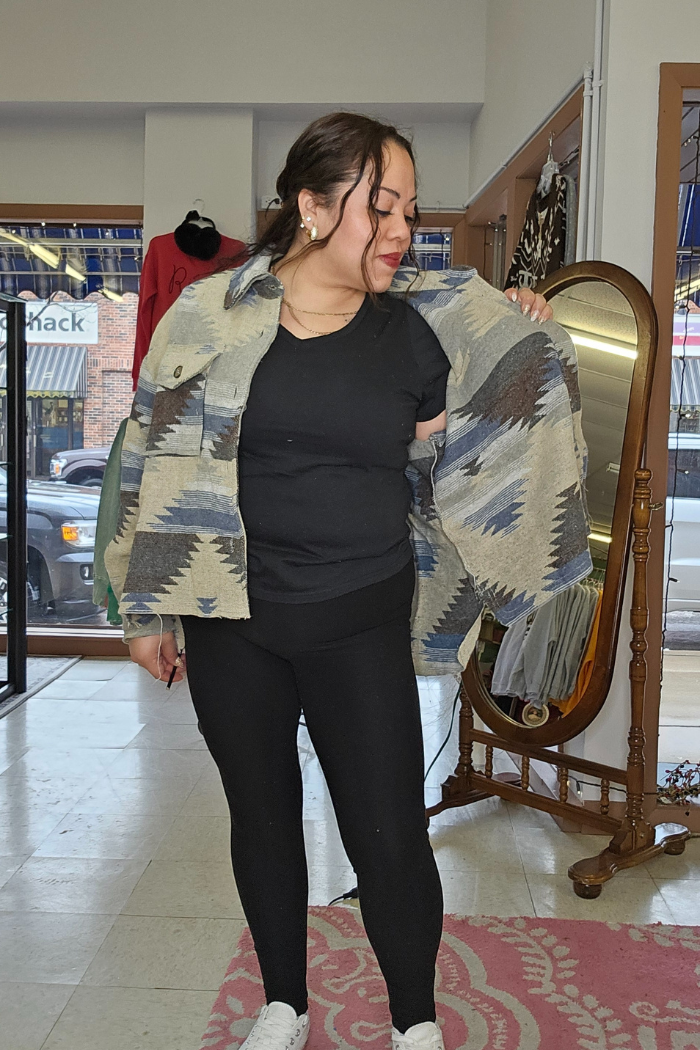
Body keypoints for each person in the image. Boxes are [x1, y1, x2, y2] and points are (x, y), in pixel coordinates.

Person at [112, 112, 559, 1050]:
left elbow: (461, 461)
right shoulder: (206, 316)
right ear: (312, 207)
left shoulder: (418, 335)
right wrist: (143, 605)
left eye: (409, 208)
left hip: (362, 618)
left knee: (389, 832)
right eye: (379, 207)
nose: (401, 229)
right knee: (262, 816)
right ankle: (284, 1002)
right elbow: (145, 455)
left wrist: (514, 344)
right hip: (234, 620)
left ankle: (415, 1023)